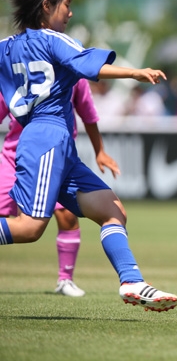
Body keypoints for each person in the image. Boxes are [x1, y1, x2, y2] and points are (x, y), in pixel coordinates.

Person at [0, 0, 177, 312]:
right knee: (30, 227)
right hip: (47, 137)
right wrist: (134, 72)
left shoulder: (7, 47)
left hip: (54, 143)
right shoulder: (53, 39)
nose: (71, 12)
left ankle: (132, 281)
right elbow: (88, 64)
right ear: (48, 4)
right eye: (67, 3)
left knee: (113, 211)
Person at [0, 79, 120, 297]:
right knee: (12, 221)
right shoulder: (18, 71)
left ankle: (65, 280)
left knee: (66, 215)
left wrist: (100, 151)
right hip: (14, 157)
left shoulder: (75, 75)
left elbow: (89, 115)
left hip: (55, 156)